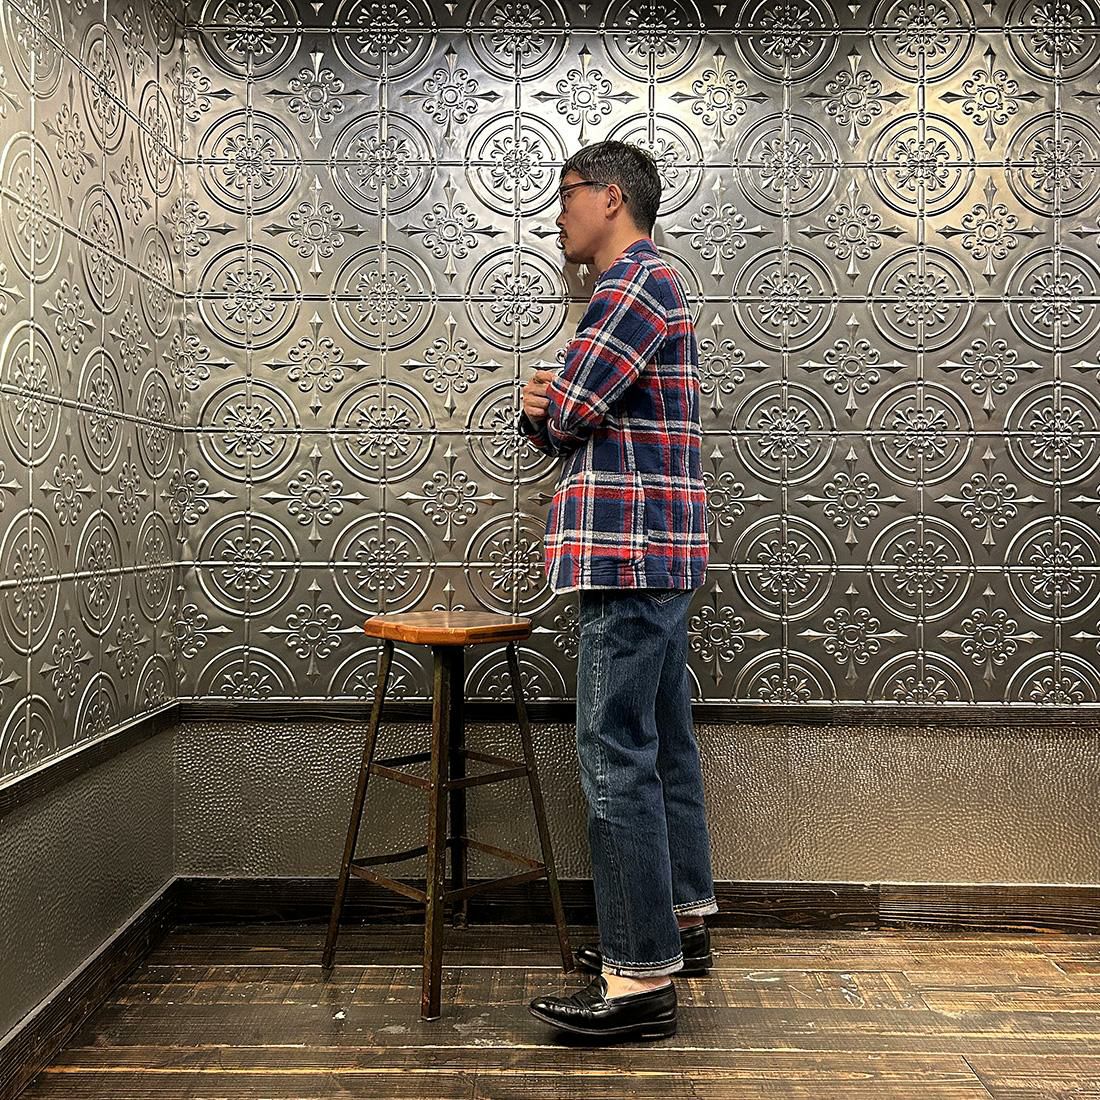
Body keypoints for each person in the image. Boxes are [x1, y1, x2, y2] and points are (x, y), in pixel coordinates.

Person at [517, 141, 716, 1042]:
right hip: (656, 555)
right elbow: (581, 416)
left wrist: (542, 400)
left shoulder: (631, 285)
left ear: (609, 198)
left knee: (613, 757)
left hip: (627, 556)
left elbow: (567, 414)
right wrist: (555, 405)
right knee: (660, 746)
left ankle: (638, 980)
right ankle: (679, 925)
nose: (557, 216)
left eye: (566, 196)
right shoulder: (652, 285)